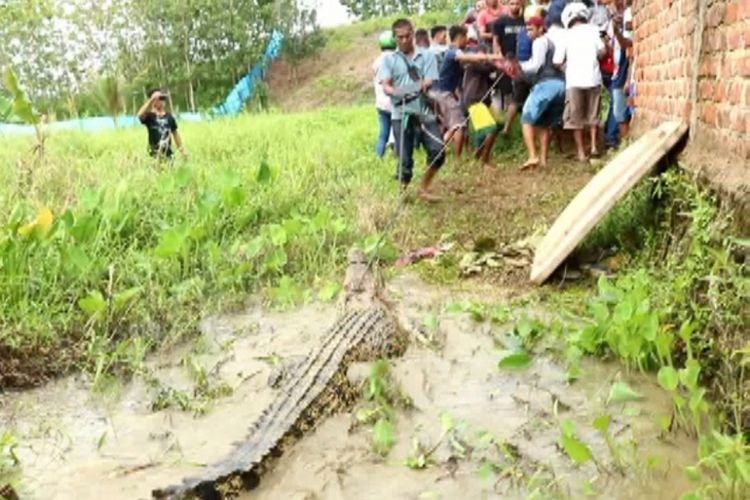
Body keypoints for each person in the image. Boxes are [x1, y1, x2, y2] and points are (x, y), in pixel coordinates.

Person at [378, 18, 446, 202]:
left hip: (424, 111)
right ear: (395, 38)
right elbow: (386, 86)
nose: (405, 40)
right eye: (400, 37)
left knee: (438, 151)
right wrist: (405, 90)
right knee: (405, 162)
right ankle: (402, 193)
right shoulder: (389, 60)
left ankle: (424, 188)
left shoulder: (427, 56)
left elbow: (430, 80)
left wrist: (408, 89)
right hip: (400, 114)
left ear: (413, 34)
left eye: (408, 36)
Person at [433, 25, 503, 157]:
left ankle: (439, 152)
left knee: (457, 126)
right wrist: (490, 57)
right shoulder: (453, 51)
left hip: (449, 93)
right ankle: (458, 159)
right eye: (465, 37)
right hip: (444, 94)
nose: (467, 40)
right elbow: (468, 58)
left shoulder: (458, 52)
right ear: (459, 37)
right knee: (459, 125)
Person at [554, 2, 606, 162]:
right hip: (593, 78)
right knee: (593, 115)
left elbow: (557, 60)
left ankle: (581, 153)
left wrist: (566, 68)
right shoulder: (593, 30)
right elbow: (603, 51)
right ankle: (594, 147)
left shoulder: (565, 35)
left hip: (574, 80)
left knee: (575, 118)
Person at [517, 16, 566, 169]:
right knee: (544, 123)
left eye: (532, 29)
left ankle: (533, 156)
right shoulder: (551, 43)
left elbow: (536, 66)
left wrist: (519, 66)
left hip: (546, 84)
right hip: (560, 85)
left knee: (526, 118)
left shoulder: (539, 41)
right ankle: (544, 160)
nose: (529, 33)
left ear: (540, 29)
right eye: (528, 30)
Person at [462, 39, 502, 169]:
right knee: (490, 129)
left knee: (499, 122)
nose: (485, 57)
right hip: (475, 99)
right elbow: (489, 67)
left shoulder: (483, 67)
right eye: (484, 54)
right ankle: (484, 161)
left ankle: (479, 152)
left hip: (483, 100)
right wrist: (497, 62)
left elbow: (493, 77)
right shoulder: (473, 64)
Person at [492, 0, 527, 134]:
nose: (514, 6)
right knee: (507, 94)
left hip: (523, 63)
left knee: (521, 94)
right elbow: (496, 43)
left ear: (522, 4)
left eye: (517, 4)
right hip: (505, 63)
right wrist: (503, 60)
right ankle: (504, 127)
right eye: (511, 3)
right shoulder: (500, 22)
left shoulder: (525, 21)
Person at [137, 88, 187, 160]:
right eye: (159, 98)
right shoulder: (149, 116)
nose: (162, 101)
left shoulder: (169, 117)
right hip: (154, 154)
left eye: (163, 98)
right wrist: (151, 100)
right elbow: (140, 115)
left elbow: (175, 134)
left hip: (168, 154)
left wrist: (182, 151)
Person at [610, 0, 633, 144]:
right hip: (618, 70)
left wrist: (617, 31)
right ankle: (625, 143)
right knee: (620, 112)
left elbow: (628, 45)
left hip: (624, 70)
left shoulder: (628, 15)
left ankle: (626, 144)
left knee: (621, 112)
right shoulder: (619, 17)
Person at [373, 31, 397, 158]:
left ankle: (378, 157)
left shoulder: (376, 61)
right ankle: (398, 157)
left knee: (383, 134)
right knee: (398, 132)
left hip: (380, 104)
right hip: (394, 102)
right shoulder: (396, 58)